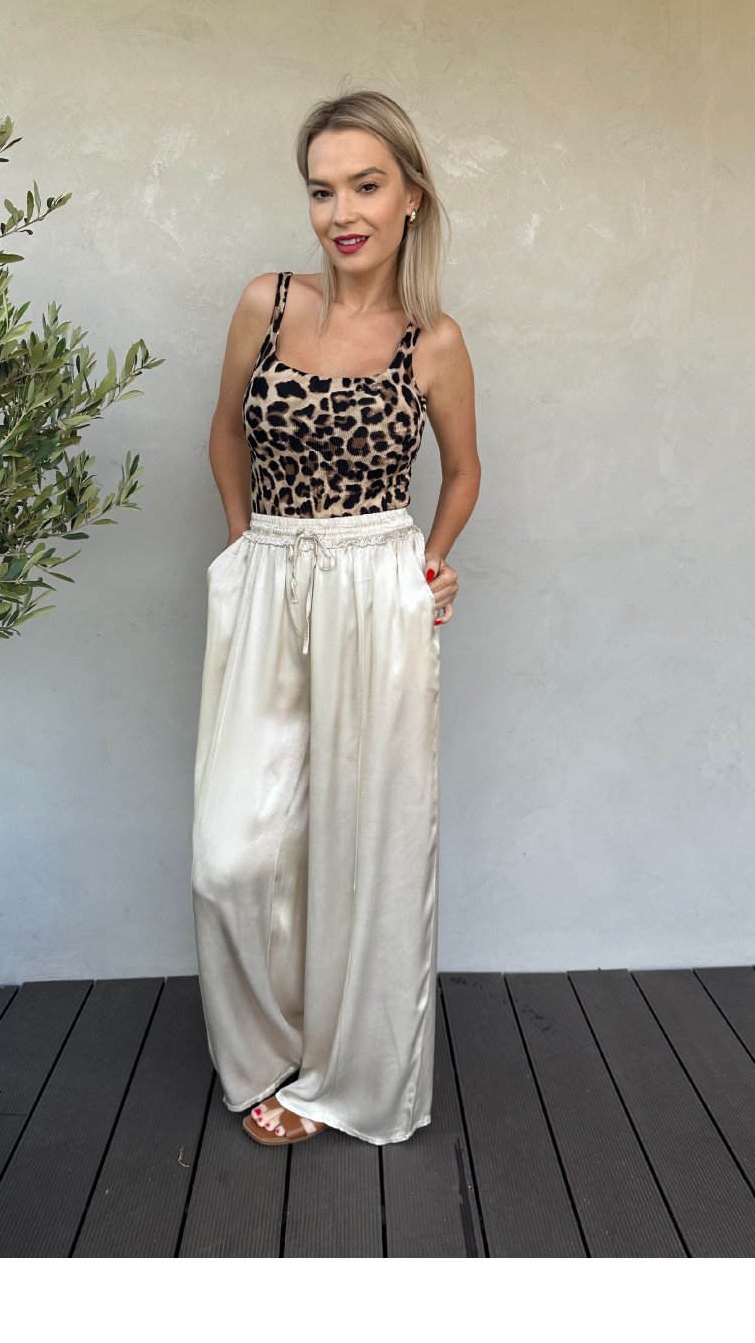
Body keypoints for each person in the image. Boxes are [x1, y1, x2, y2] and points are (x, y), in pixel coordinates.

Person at [191, 89, 480, 1147]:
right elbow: (226, 431)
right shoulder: (265, 302)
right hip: (270, 574)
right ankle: (265, 1051)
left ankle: (343, 1073)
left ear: (411, 197)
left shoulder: (432, 342)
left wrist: (430, 564)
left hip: (374, 589)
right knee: (233, 854)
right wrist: (243, 546)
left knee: (366, 842)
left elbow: (464, 472)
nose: (341, 212)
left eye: (365, 185)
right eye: (322, 190)